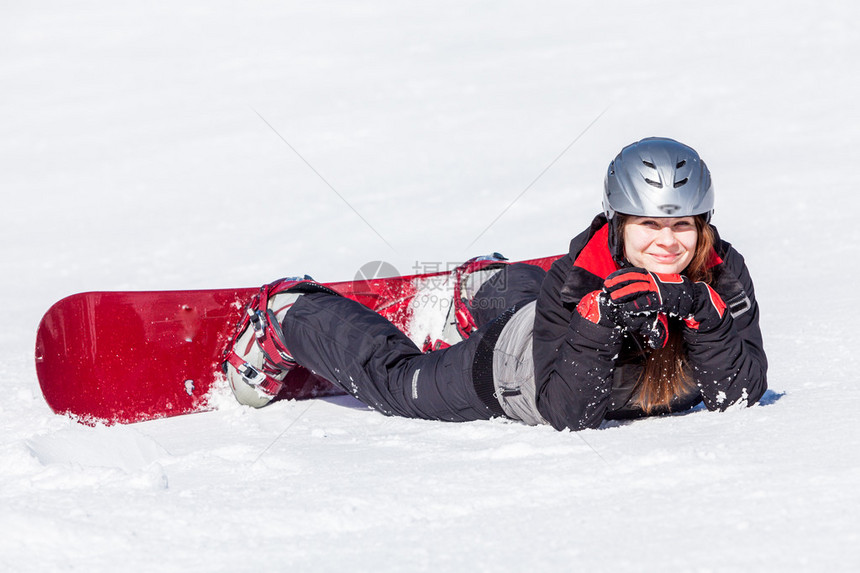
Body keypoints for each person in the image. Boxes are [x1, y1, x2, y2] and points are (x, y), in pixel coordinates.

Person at [223, 137, 767, 431]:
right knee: (398, 384)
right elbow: (567, 415)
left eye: (682, 226)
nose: (668, 242)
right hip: (515, 370)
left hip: (548, 326)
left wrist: (701, 310)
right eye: (650, 224)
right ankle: (292, 313)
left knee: (529, 305)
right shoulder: (577, 281)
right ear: (619, 223)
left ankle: (486, 282)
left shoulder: (722, 272)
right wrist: (598, 325)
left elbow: (740, 394)